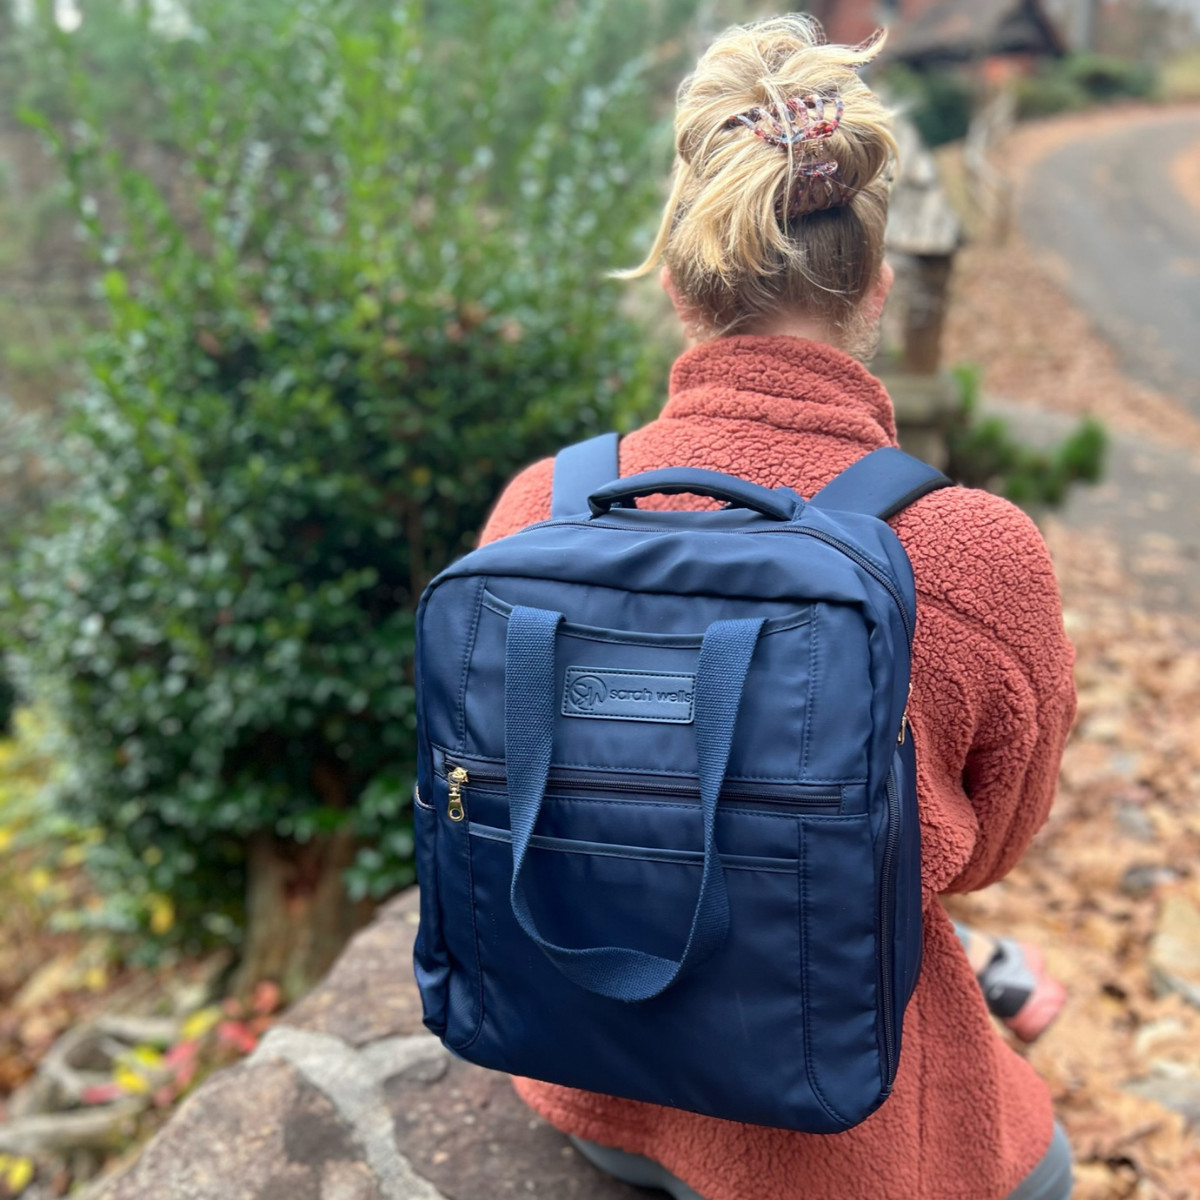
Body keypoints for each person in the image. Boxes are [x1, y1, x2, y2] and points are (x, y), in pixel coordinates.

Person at [477, 16, 1077, 1200]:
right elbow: (985, 856)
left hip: (586, 1074)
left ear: (674, 284)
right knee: (1042, 1168)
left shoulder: (539, 507)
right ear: (879, 285)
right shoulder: (972, 553)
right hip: (836, 1132)